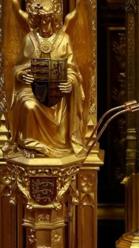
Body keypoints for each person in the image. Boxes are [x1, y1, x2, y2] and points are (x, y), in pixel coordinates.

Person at [6, 0, 85, 158]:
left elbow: (72, 69)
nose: (45, 24)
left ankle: (61, 144)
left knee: (61, 103)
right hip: (31, 90)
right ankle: (30, 145)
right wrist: (21, 75)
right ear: (36, 20)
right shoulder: (29, 39)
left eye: (49, 19)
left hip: (57, 92)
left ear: (54, 20)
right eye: (42, 19)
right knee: (29, 105)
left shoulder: (64, 39)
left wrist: (70, 82)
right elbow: (17, 67)